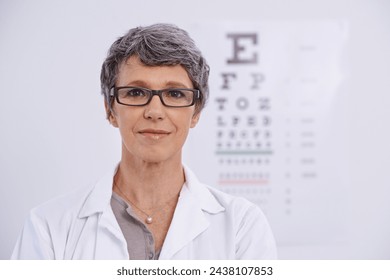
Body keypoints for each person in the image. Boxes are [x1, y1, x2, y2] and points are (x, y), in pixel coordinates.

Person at [11, 23, 277, 260]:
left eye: (174, 93)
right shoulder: (49, 226)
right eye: (136, 92)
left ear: (195, 113)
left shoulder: (242, 226)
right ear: (110, 110)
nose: (155, 111)